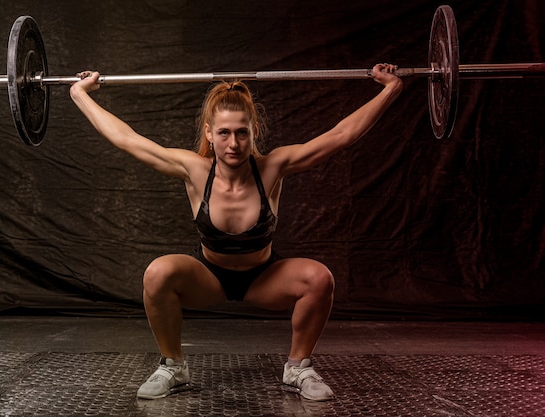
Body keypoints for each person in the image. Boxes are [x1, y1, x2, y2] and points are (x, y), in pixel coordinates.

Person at [70, 63, 402, 401]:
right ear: (210, 133)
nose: (233, 143)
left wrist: (390, 89)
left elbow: (340, 135)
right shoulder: (194, 170)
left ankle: (298, 368)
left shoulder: (274, 167)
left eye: (241, 132)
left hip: (264, 279)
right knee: (158, 273)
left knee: (319, 278)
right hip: (209, 278)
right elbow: (126, 139)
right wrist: (79, 94)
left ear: (254, 131)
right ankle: (172, 365)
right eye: (224, 133)